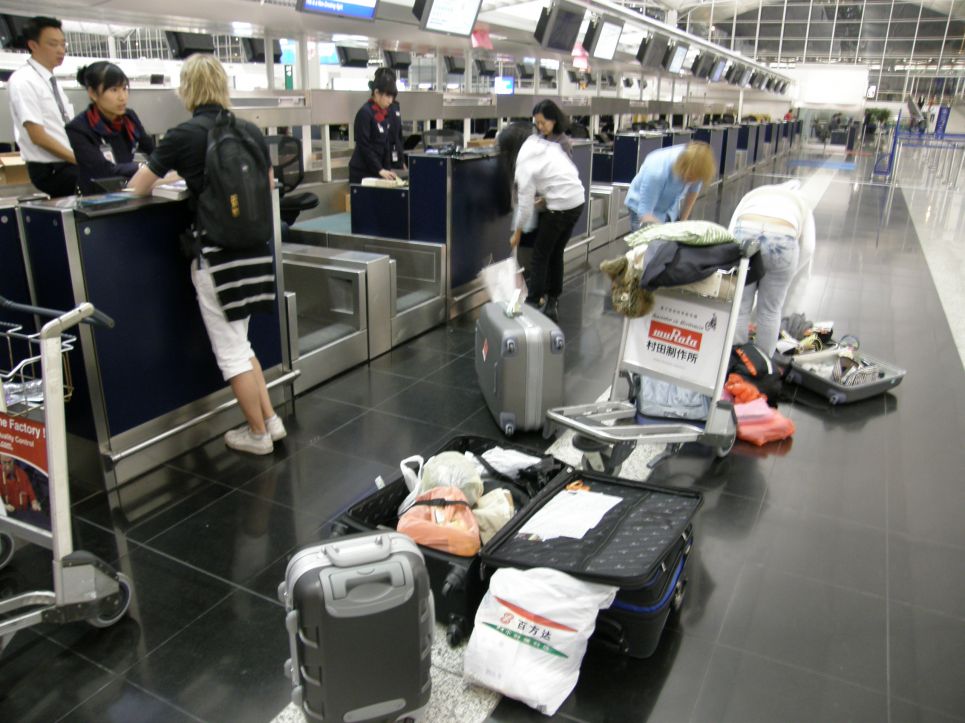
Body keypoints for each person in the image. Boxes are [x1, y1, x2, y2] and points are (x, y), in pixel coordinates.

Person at [128, 54, 285, 456]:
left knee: (231, 354)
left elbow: (137, 188)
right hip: (255, 252)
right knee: (242, 344)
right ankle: (271, 420)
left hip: (218, 257)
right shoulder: (250, 130)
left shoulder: (183, 135)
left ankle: (258, 435)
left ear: (188, 89)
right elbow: (268, 183)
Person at [499, 122, 584, 322]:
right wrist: (546, 198)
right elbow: (563, 176)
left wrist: (517, 234)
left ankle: (532, 303)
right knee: (555, 253)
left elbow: (525, 207)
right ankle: (552, 302)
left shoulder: (523, 163)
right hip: (577, 201)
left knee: (540, 255)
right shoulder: (543, 145)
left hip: (560, 207)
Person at [728, 180, 816, 357]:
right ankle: (762, 364)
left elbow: (731, 230)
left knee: (740, 307)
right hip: (782, 239)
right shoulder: (800, 200)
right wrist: (787, 273)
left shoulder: (755, 194)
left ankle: (736, 361)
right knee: (770, 311)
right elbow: (808, 247)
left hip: (745, 231)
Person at [6, 16, 78, 197]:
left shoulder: (52, 82)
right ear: (33, 45)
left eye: (63, 44)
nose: (60, 50)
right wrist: (78, 159)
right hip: (52, 168)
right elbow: (38, 136)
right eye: (53, 44)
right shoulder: (23, 80)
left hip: (67, 163)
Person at [66, 62, 155, 195]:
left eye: (124, 88)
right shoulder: (78, 128)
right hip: (94, 197)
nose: (122, 97)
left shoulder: (129, 118)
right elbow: (103, 170)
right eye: (114, 90)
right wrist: (143, 167)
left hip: (128, 189)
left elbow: (152, 150)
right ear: (93, 93)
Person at [625, 141, 715, 231]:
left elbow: (693, 191)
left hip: (668, 208)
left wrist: (682, 222)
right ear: (682, 167)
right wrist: (665, 233)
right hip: (641, 208)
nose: (691, 182)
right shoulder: (656, 172)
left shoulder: (698, 165)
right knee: (649, 238)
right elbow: (645, 213)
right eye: (688, 178)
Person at [348, 70, 399, 184]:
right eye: (387, 96)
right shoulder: (365, 113)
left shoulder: (383, 113)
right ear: (376, 93)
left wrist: (387, 169)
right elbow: (364, 145)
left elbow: (385, 144)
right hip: (362, 172)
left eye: (392, 97)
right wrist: (379, 169)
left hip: (377, 170)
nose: (390, 101)